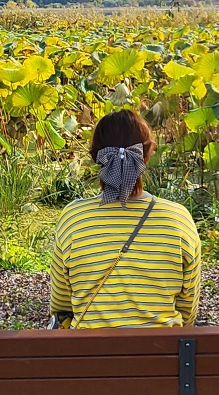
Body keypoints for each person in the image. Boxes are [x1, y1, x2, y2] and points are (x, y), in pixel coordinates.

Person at [49, 108, 200, 329]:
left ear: (97, 158)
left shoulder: (73, 218)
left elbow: (61, 303)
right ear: (146, 158)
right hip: (163, 359)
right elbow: (188, 309)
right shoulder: (178, 219)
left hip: (88, 360)